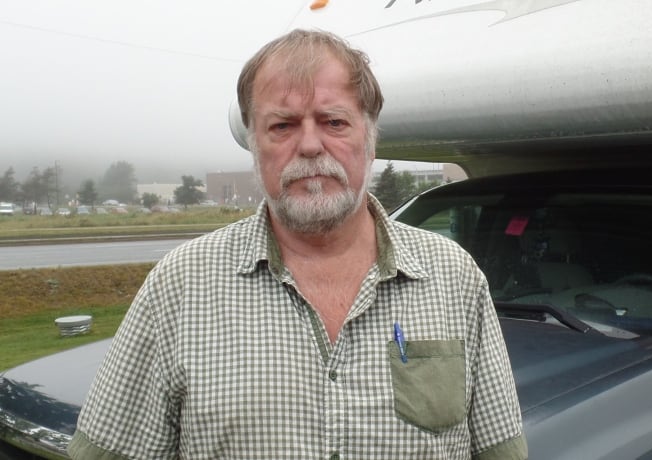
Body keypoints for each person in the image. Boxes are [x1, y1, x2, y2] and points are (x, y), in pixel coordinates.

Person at [68, 29, 526, 460]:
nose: (310, 145)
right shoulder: (179, 285)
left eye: (334, 121)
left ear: (370, 139)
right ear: (254, 144)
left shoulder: (455, 277)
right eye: (283, 126)